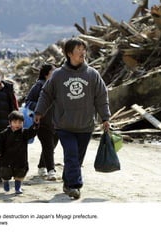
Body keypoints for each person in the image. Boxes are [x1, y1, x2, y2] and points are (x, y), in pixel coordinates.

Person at [34, 38, 111, 199]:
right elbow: (46, 94)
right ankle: (75, 185)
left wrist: (105, 117)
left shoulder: (92, 74)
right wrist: (39, 112)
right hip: (64, 125)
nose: (83, 52)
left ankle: (67, 181)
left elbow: (101, 96)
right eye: (79, 49)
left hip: (86, 125)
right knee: (71, 154)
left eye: (84, 49)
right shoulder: (58, 75)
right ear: (69, 54)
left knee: (77, 158)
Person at [25, 64, 59, 180]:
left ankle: (41, 166)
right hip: (42, 121)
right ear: (46, 74)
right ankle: (51, 170)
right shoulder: (39, 85)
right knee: (48, 145)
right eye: (53, 71)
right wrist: (41, 107)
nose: (56, 73)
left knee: (51, 145)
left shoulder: (59, 86)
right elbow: (28, 101)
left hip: (57, 122)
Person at [0, 110, 37, 194]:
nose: (17, 124)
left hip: (20, 158)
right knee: (5, 173)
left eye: (20, 122)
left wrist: (35, 125)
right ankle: (6, 182)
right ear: (10, 122)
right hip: (7, 159)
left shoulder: (24, 133)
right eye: (15, 122)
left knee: (20, 174)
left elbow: (32, 132)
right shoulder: (4, 133)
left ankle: (18, 188)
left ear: (23, 123)